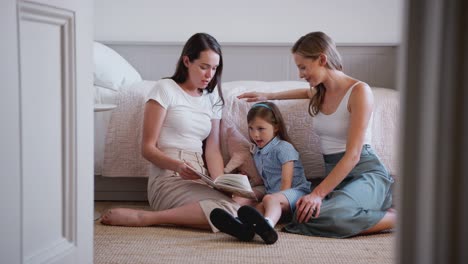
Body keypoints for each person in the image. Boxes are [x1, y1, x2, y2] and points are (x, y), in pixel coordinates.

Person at [237, 31, 396, 238]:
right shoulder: (320, 91)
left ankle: (397, 217)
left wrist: (317, 194)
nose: (300, 74)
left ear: (322, 59)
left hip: (364, 173)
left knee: (331, 215)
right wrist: (269, 96)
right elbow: (304, 92)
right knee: (307, 215)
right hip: (335, 176)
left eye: (303, 67)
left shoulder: (359, 91)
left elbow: (353, 155)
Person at [100, 32, 247, 231]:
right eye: (203, 67)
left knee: (242, 207)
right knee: (228, 210)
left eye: (214, 68)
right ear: (187, 61)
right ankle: (148, 218)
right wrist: (178, 166)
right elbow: (147, 148)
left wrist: (221, 182)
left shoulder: (212, 98)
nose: (209, 75)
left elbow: (212, 150)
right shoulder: (165, 88)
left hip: (199, 177)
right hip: (168, 177)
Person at [210, 102, 311, 244]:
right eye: (251, 129)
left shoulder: (284, 148)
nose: (255, 134)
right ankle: (243, 228)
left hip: (295, 192)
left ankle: (269, 226)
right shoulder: (258, 151)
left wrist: (275, 199)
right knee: (253, 206)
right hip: (273, 195)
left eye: (261, 129)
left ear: (276, 127)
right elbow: (264, 179)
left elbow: (286, 183)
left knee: (268, 200)